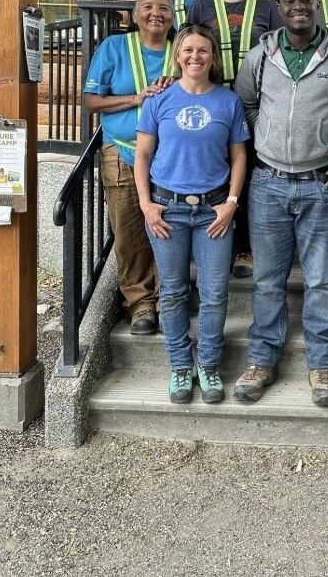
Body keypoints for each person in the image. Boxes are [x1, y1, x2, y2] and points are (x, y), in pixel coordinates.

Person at [233, 0, 328, 408]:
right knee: (268, 281)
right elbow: (245, 104)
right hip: (269, 185)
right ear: (280, 5)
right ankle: (261, 360)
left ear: (317, 4)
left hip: (323, 187)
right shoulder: (261, 56)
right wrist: (269, 140)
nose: (299, 5)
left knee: (320, 281)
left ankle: (321, 365)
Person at [134, 25, 249, 404]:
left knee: (215, 293)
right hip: (168, 210)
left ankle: (210, 365)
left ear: (213, 56)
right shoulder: (159, 100)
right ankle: (181, 365)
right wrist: (146, 204)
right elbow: (143, 155)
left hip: (213, 211)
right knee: (172, 292)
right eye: (188, 50)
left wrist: (232, 202)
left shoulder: (227, 102)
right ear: (177, 56)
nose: (195, 57)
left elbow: (238, 156)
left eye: (203, 50)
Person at [187, 0, 282, 279]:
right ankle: (217, 243)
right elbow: (189, 51)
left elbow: (279, 57)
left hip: (255, 107)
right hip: (212, 103)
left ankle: (245, 248)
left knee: (251, 177)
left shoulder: (269, 9)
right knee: (218, 174)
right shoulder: (201, 7)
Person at [84, 0, 175, 335]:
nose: (157, 13)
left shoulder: (180, 51)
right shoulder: (114, 48)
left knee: (170, 227)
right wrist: (137, 98)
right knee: (129, 230)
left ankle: (170, 298)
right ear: (135, 14)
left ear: (172, 16)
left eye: (164, 8)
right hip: (122, 150)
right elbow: (92, 101)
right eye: (148, 6)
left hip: (170, 157)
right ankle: (141, 304)